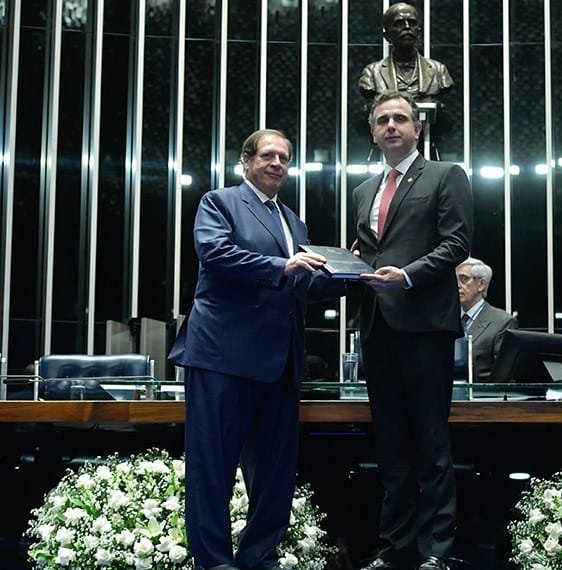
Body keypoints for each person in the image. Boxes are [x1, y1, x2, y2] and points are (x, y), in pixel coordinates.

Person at [169, 129, 344, 570]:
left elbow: (300, 284)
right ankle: (214, 561)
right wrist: (283, 265)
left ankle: (258, 557)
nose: (277, 163)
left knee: (274, 474)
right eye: (267, 155)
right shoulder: (220, 202)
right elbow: (216, 254)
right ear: (246, 161)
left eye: (284, 158)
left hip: (280, 362)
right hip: (222, 356)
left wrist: (347, 274)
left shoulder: (294, 222)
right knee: (213, 467)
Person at [353, 90, 473, 570]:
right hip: (376, 325)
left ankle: (436, 550)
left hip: (424, 326)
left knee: (430, 442)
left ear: (417, 129)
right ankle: (395, 548)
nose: (391, 126)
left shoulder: (445, 175)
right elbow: (371, 250)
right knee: (390, 446)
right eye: (382, 119)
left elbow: (457, 243)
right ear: (372, 131)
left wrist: (406, 275)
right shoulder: (363, 190)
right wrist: (351, 261)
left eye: (400, 118)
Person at [358, 3, 453, 103]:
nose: (407, 27)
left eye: (412, 23)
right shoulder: (372, 73)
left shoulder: (439, 70)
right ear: (387, 36)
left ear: (418, 33)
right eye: (399, 23)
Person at [456, 257, 517, 380]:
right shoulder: (447, 319)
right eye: (455, 280)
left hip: (482, 391)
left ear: (481, 284)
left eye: (464, 279)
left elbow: (504, 376)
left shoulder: (502, 322)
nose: (457, 285)